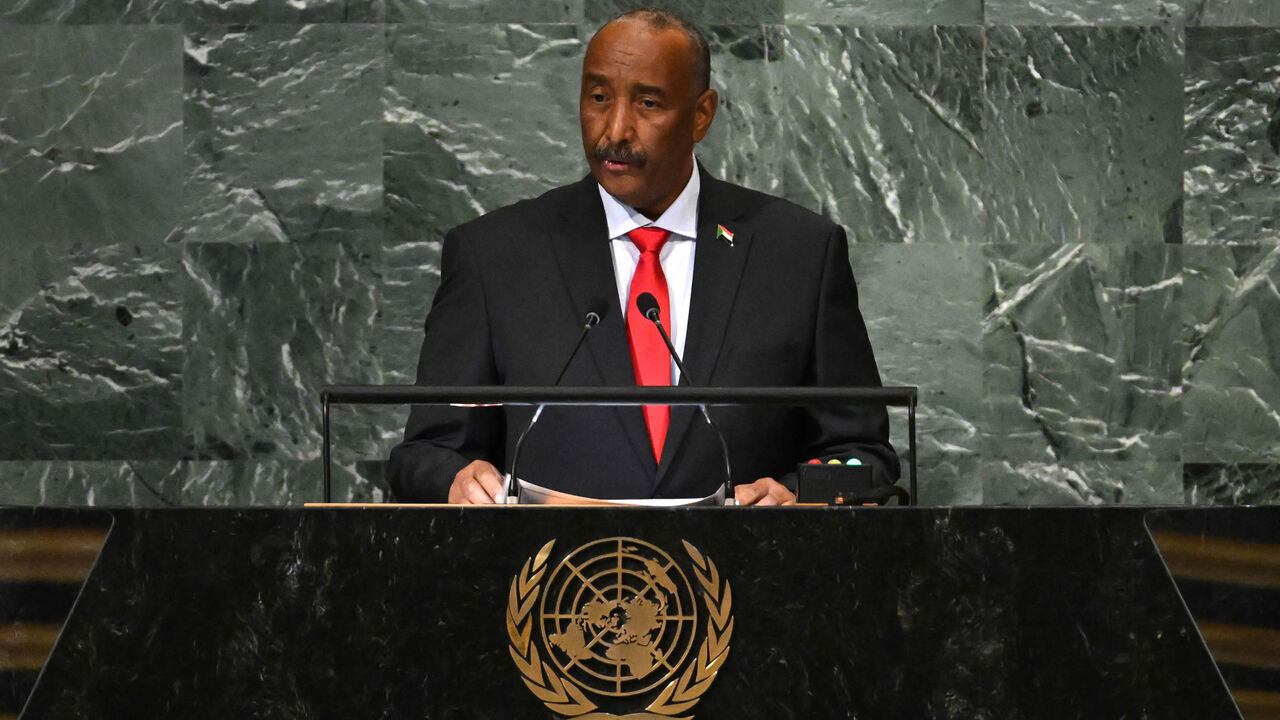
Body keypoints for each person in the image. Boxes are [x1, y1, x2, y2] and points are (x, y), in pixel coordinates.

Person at [387, 8, 899, 505]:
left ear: (701, 115)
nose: (614, 131)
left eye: (648, 104)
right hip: (554, 581)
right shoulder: (494, 255)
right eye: (598, 97)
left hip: (750, 576)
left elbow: (860, 455)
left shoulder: (798, 253)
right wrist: (455, 479)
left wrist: (796, 494)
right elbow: (427, 453)